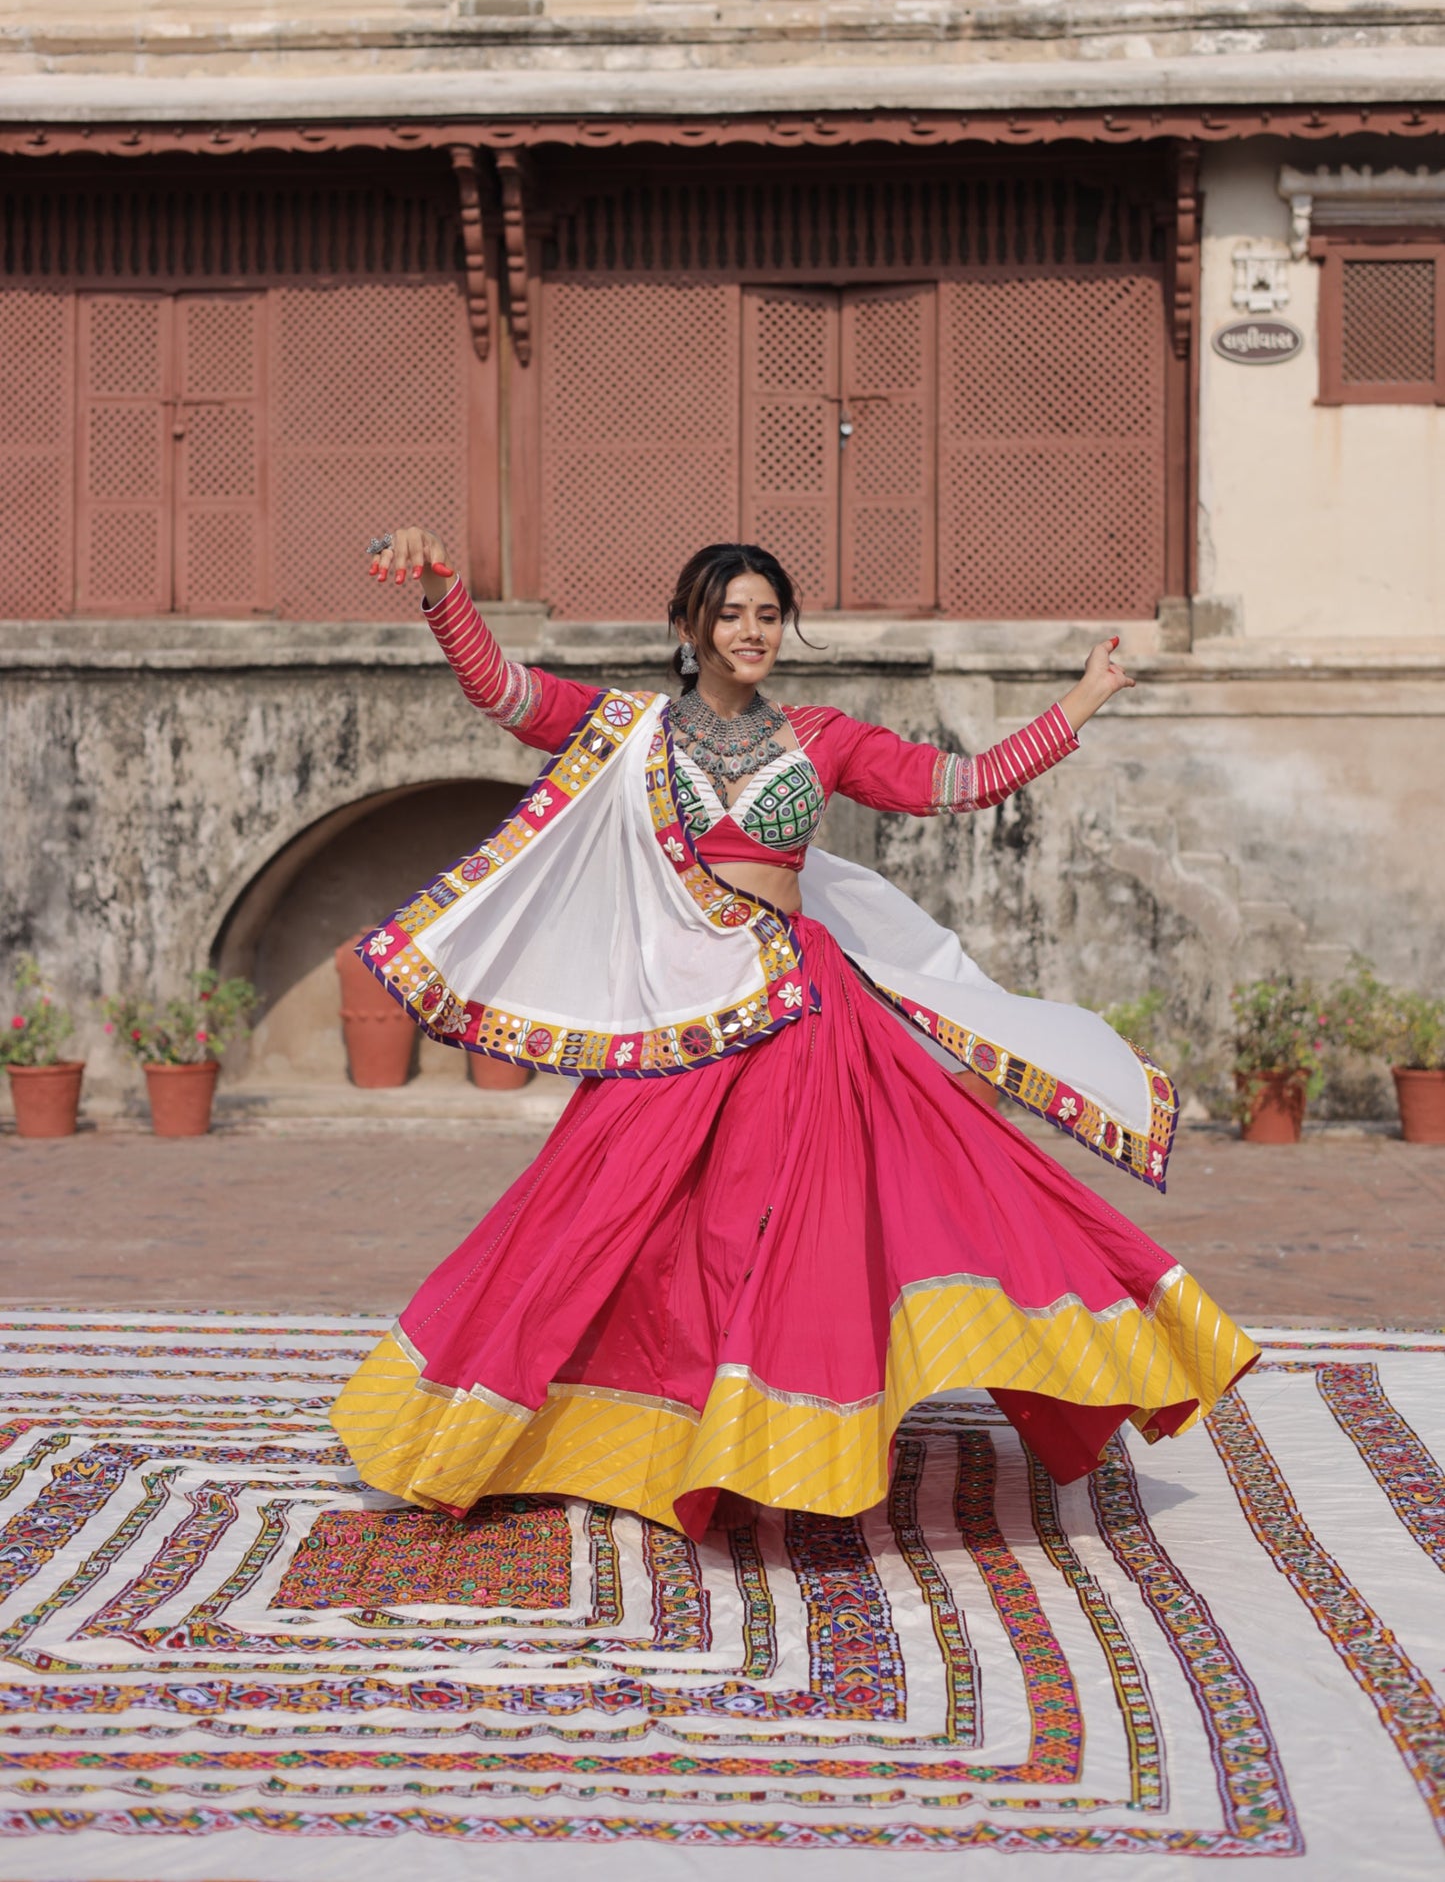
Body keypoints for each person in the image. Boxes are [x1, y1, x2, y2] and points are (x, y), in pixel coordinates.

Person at [332, 528, 1255, 1540]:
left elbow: (960, 783)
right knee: (608, 1214)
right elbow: (507, 692)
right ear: (688, 627)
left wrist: (1083, 696)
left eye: (767, 613)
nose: (750, 630)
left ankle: (769, 1441)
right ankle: (596, 1426)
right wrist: (440, 594)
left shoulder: (819, 737)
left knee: (819, 1217)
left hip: (799, 1009)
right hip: (680, 1019)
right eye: (729, 613)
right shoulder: (631, 729)